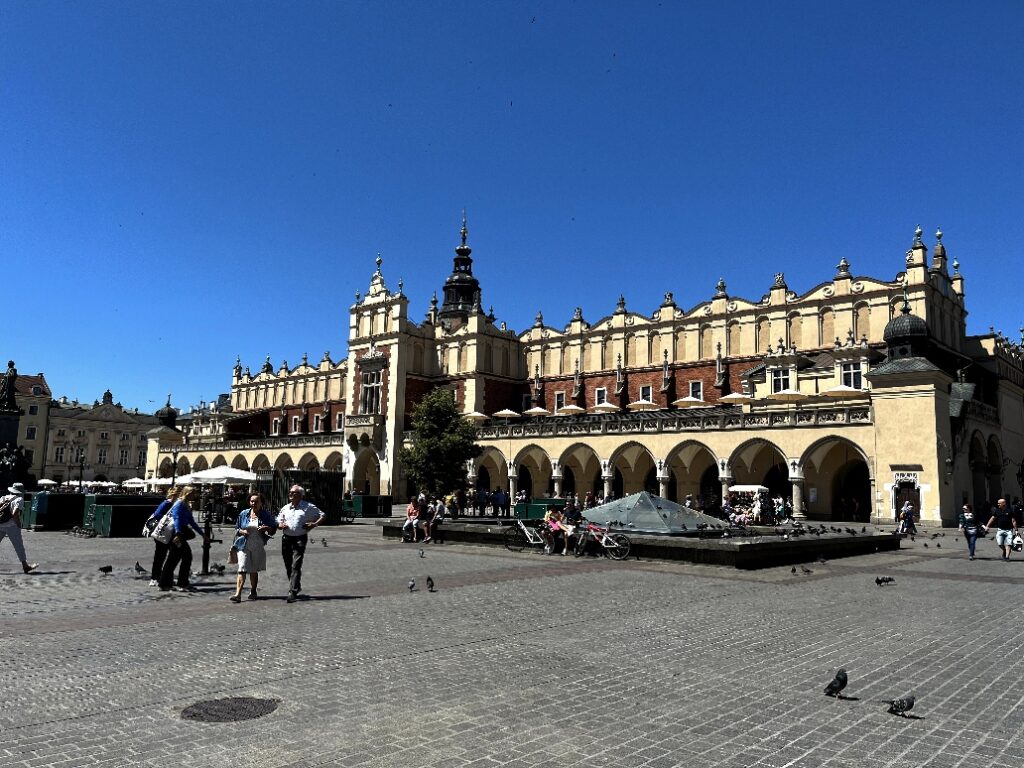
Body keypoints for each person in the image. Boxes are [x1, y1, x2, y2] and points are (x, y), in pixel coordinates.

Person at [276, 484, 324, 603]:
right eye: (290, 492)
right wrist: (280, 524)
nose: (291, 494)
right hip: (286, 538)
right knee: (288, 564)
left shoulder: (308, 507)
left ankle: (292, 591)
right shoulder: (286, 507)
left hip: (300, 538)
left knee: (296, 565)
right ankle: (296, 585)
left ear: (301, 495)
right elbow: (278, 519)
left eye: (294, 492)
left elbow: (322, 515)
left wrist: (314, 524)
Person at [230, 492, 276, 603]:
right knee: (242, 568)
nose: (253, 503)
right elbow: (237, 528)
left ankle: (253, 590)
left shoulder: (265, 515)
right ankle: (238, 594)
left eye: (256, 501)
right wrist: (242, 531)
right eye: (251, 501)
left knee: (253, 570)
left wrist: (266, 528)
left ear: (261, 503)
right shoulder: (243, 513)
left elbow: (273, 529)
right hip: (243, 544)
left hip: (257, 545)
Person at [159, 486, 206, 592]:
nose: (195, 495)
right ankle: (179, 583)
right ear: (188, 493)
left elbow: (191, 522)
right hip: (176, 535)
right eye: (193, 493)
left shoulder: (186, 505)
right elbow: (176, 518)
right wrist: (178, 533)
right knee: (182, 557)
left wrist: (202, 534)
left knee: (176, 558)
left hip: (180, 534)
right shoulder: (179, 504)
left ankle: (169, 583)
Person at [144, 487, 179, 586]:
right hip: (162, 533)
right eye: (177, 495)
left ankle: (163, 577)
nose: (179, 497)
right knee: (160, 556)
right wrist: (167, 520)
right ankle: (155, 577)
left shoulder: (174, 504)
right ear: (173, 495)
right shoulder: (166, 504)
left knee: (168, 556)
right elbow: (157, 514)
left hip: (169, 533)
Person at [0, 483, 37, 573]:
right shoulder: (19, 499)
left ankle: (25, 566)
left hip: (0, 524)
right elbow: (15, 513)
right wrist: (18, 524)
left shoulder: (3, 498)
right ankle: (25, 566)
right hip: (12, 526)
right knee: (18, 546)